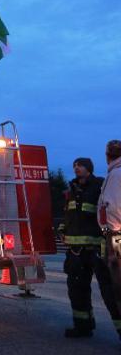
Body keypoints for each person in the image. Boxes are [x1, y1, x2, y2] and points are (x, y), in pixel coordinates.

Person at [58, 157, 121, 339]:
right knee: (77, 290)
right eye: (74, 165)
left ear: (89, 168)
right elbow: (67, 214)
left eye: (80, 165)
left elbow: (109, 211)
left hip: (98, 248)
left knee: (111, 292)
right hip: (76, 251)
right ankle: (82, 327)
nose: (76, 168)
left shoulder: (101, 186)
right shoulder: (71, 190)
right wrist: (62, 229)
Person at [98, 140, 121, 310]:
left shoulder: (115, 174)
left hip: (116, 234)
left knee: (117, 279)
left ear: (108, 155)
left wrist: (109, 231)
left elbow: (111, 206)